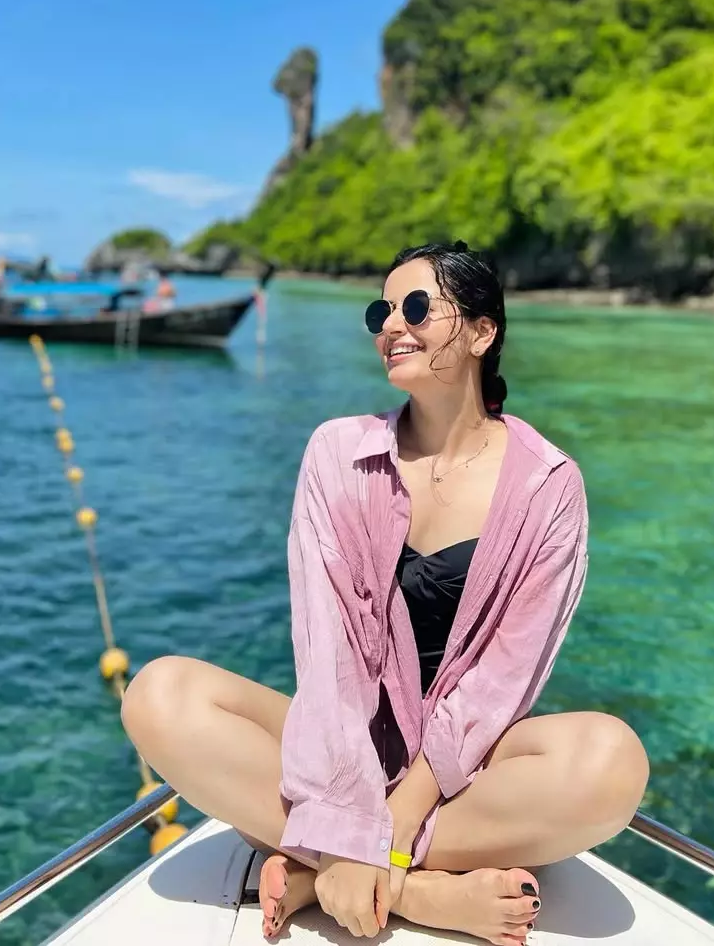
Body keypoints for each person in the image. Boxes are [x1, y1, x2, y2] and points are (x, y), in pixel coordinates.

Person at [121, 241, 648, 945]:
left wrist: (395, 821)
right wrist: (354, 817)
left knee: (612, 762)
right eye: (382, 311)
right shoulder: (338, 453)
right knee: (159, 695)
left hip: (462, 768)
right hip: (344, 747)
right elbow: (328, 653)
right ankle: (414, 894)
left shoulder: (549, 486)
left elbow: (505, 678)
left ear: (482, 332)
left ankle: (332, 871)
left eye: (417, 307)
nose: (391, 326)